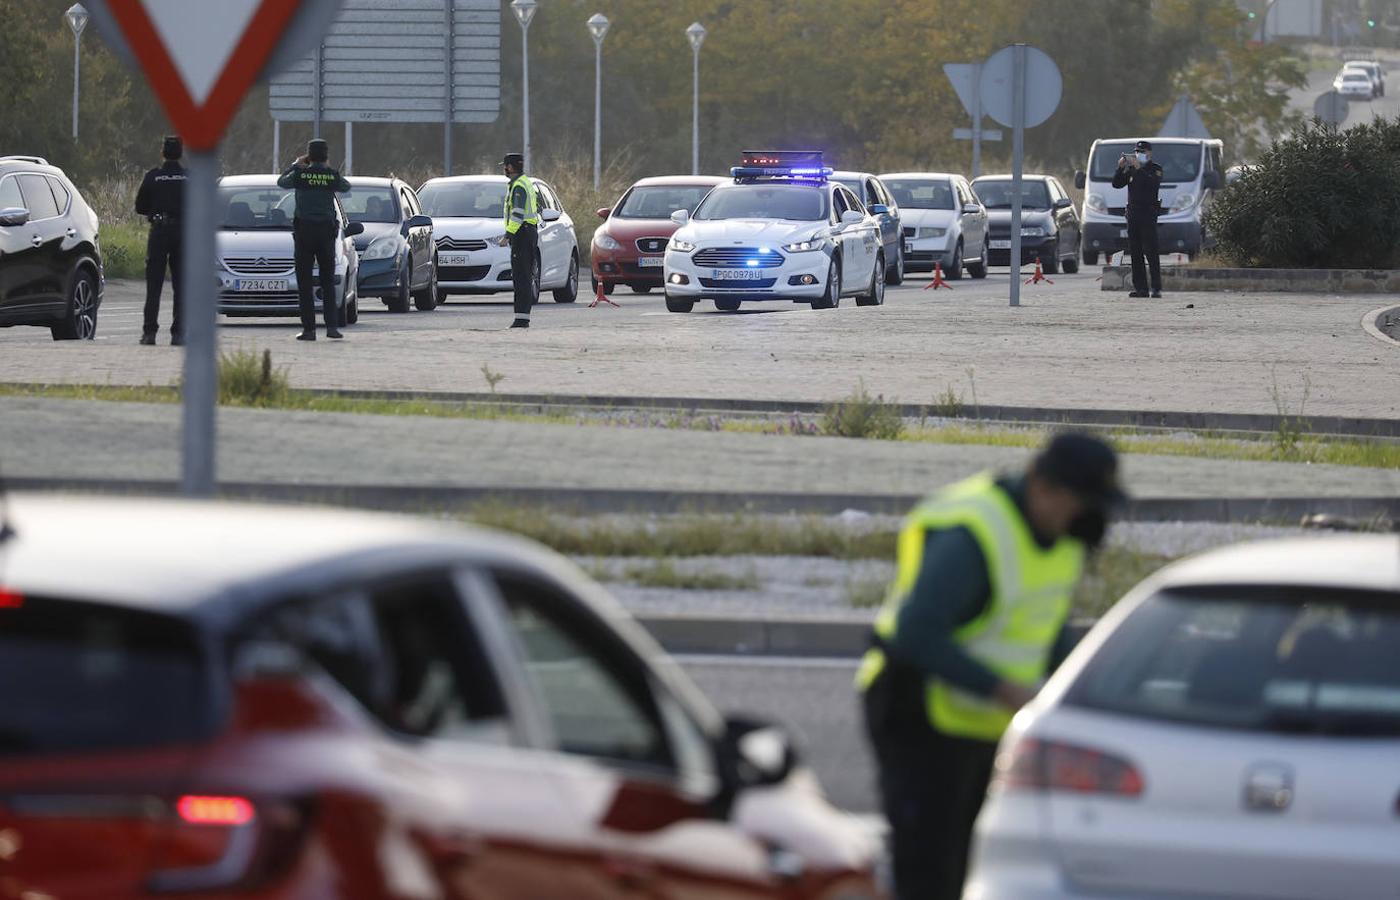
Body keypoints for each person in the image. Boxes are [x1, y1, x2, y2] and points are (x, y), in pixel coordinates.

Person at [855, 433, 1126, 900]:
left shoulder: (1064, 536)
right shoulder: (976, 533)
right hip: (917, 712)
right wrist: (1003, 690)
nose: (1085, 515)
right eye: (1078, 501)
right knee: (928, 871)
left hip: (982, 722)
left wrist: (1078, 688)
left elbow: (1048, 625)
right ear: (1041, 485)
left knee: (969, 863)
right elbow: (915, 631)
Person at [278, 138, 351, 341]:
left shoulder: (300, 175)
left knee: (304, 282)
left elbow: (281, 182)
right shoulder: (330, 176)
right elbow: (346, 187)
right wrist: (328, 168)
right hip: (326, 235)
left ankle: (309, 330)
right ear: (326, 156)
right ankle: (332, 328)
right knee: (327, 282)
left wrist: (295, 165)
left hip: (304, 234)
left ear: (308, 156)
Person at [134, 136, 187, 346]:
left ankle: (149, 333)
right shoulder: (189, 177)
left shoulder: (153, 176)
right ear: (181, 153)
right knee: (181, 285)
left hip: (159, 231)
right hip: (183, 232)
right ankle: (179, 333)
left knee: (154, 285)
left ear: (162, 153)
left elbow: (140, 206)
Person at [1112, 139, 1165, 299]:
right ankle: (1141, 288)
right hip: (1133, 216)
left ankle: (1156, 288)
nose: (1139, 155)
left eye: (1142, 152)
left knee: (1151, 252)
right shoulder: (1131, 170)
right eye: (1137, 152)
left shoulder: (1155, 169)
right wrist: (1120, 168)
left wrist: (1139, 168)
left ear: (1149, 153)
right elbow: (1116, 184)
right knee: (1135, 253)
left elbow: (1152, 184)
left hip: (1148, 215)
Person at [496, 152, 539, 329]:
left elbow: (517, 215)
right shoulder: (523, 182)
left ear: (510, 167)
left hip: (522, 234)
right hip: (527, 233)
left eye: (505, 165)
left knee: (521, 278)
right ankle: (522, 318)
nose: (504, 169)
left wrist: (508, 235)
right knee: (523, 277)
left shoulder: (519, 186)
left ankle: (521, 320)